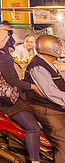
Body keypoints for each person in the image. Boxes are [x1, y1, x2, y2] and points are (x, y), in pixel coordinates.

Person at [0, 29, 42, 163]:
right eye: (9, 38)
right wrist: (32, 87)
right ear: (5, 41)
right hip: (9, 101)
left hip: (5, 97)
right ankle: (35, 160)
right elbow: (12, 80)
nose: (12, 40)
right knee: (33, 127)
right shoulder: (3, 57)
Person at [24, 34, 65, 163]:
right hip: (47, 109)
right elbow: (51, 92)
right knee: (63, 142)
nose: (60, 48)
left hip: (55, 107)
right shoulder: (38, 66)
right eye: (58, 46)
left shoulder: (47, 63)